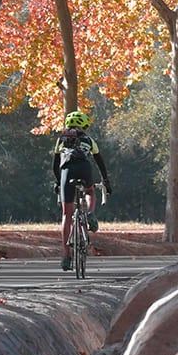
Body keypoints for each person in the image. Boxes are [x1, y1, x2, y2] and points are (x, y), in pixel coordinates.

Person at [53, 110, 113, 271]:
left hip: (67, 172)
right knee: (90, 191)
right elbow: (100, 163)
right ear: (84, 125)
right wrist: (106, 182)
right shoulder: (89, 140)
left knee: (66, 215)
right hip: (84, 169)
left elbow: (55, 165)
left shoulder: (62, 140)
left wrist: (58, 182)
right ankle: (90, 213)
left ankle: (66, 255)